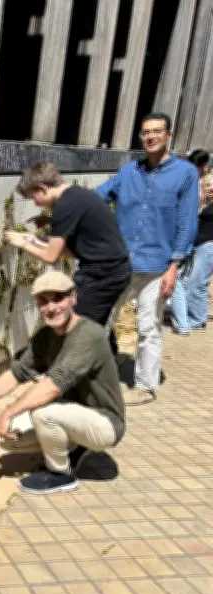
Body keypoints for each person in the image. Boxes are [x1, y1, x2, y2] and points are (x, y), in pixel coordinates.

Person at [0, 271, 126, 495]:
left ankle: (61, 474)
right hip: (75, 412)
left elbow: (53, 386)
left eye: (58, 298)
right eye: (43, 301)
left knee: (42, 412)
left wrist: (6, 413)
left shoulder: (89, 335)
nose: (51, 307)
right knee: (9, 441)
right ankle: (74, 445)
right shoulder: (46, 336)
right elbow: (17, 373)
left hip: (105, 422)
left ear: (73, 298)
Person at [95, 112, 199, 406]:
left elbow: (186, 221)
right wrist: (65, 205)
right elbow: (97, 197)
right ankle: (98, 377)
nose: (150, 137)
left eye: (156, 131)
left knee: (148, 328)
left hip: (158, 266)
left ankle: (144, 386)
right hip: (121, 262)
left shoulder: (186, 173)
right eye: (145, 133)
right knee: (100, 321)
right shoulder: (129, 172)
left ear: (168, 135)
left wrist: (174, 267)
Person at [4, 162, 131, 355]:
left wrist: (22, 243)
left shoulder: (64, 206)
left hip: (102, 275)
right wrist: (34, 240)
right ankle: (106, 366)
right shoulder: (79, 196)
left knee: (76, 328)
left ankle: (74, 378)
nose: (36, 204)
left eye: (33, 197)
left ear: (42, 189)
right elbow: (72, 251)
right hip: (113, 271)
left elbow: (51, 256)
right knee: (93, 325)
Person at [169, 149, 213, 334]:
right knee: (188, 281)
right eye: (208, 186)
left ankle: (198, 319)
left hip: (208, 245)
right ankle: (190, 316)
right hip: (197, 244)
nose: (210, 189)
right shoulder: (202, 197)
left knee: (198, 283)